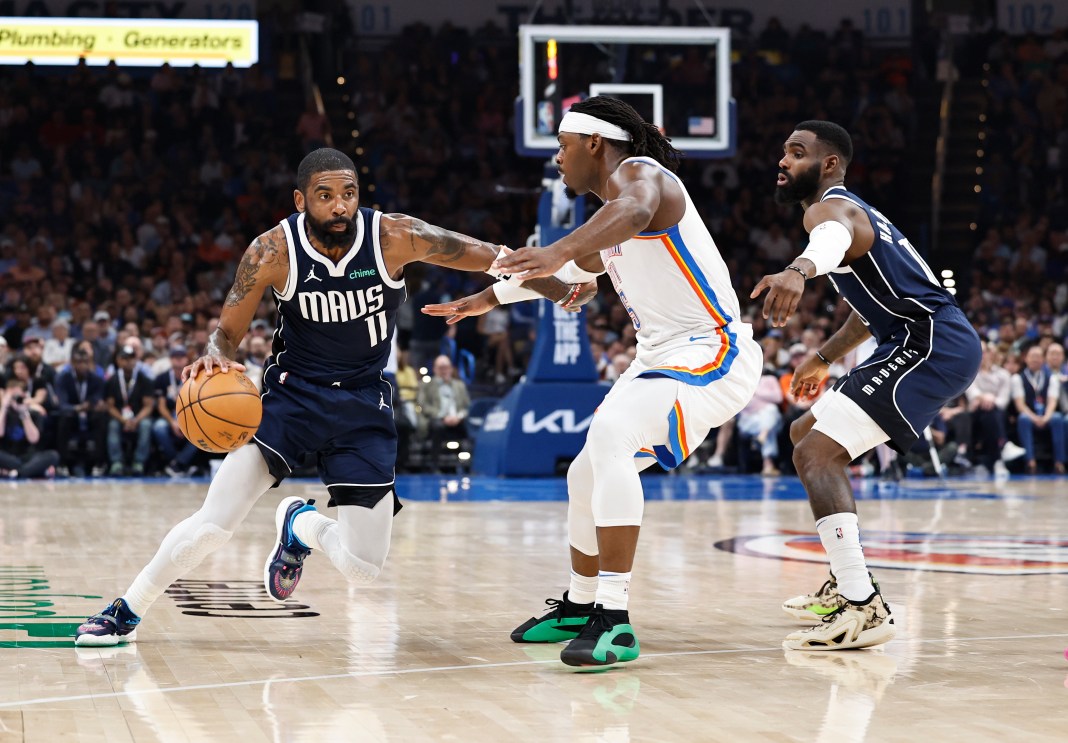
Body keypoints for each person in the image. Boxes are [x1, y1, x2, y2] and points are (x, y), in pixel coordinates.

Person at [75, 147, 593, 646]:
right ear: (301, 200)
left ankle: (300, 524)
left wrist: (558, 289)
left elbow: (495, 258)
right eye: (325, 196)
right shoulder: (272, 251)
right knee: (213, 525)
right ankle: (127, 609)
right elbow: (226, 332)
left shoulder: (395, 236)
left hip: (363, 405)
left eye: (348, 193)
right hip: (291, 399)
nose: (340, 205)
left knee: (363, 568)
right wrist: (215, 355)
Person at [423, 97, 762, 668]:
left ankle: (615, 619)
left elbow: (632, 210)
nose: (557, 157)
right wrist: (488, 298)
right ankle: (581, 605)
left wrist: (557, 247)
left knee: (611, 435)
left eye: (563, 145)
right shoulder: (611, 221)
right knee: (585, 473)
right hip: (658, 357)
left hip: (714, 350)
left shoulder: (642, 178)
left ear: (595, 144)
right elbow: (570, 278)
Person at [753, 121, 981, 649]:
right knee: (803, 433)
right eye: (783, 152)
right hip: (917, 337)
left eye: (796, 153)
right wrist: (822, 358)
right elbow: (867, 312)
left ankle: (863, 604)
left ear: (829, 164)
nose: (783, 162)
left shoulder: (829, 209)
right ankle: (845, 581)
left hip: (929, 341)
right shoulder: (857, 213)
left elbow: (829, 238)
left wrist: (798, 270)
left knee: (817, 454)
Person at [416, 354, 471, 472]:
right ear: (435, 369)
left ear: (451, 369)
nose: (444, 371)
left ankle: (469, 465)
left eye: (446, 367)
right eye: (441, 368)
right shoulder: (427, 385)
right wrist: (443, 417)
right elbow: (423, 405)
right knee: (438, 427)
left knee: (469, 426)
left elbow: (466, 406)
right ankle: (434, 465)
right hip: (437, 419)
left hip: (457, 419)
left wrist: (458, 417)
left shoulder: (459, 385)